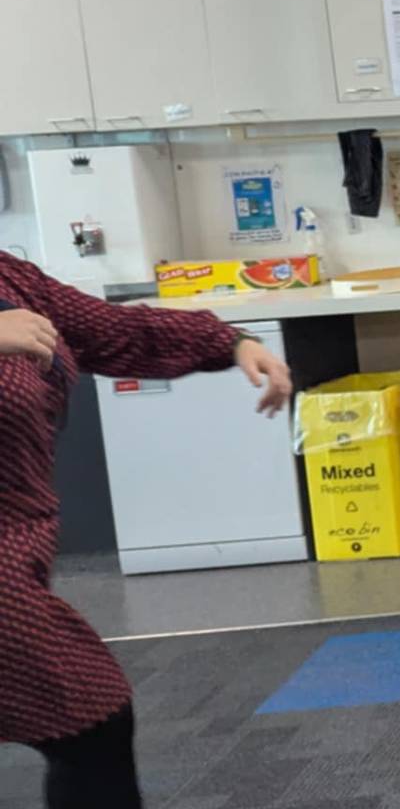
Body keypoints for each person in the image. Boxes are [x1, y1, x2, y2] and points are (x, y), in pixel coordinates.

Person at [0, 255, 292, 809]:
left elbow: (113, 329)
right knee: (90, 718)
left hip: (19, 543)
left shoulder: (11, 278)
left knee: (91, 723)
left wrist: (232, 342)